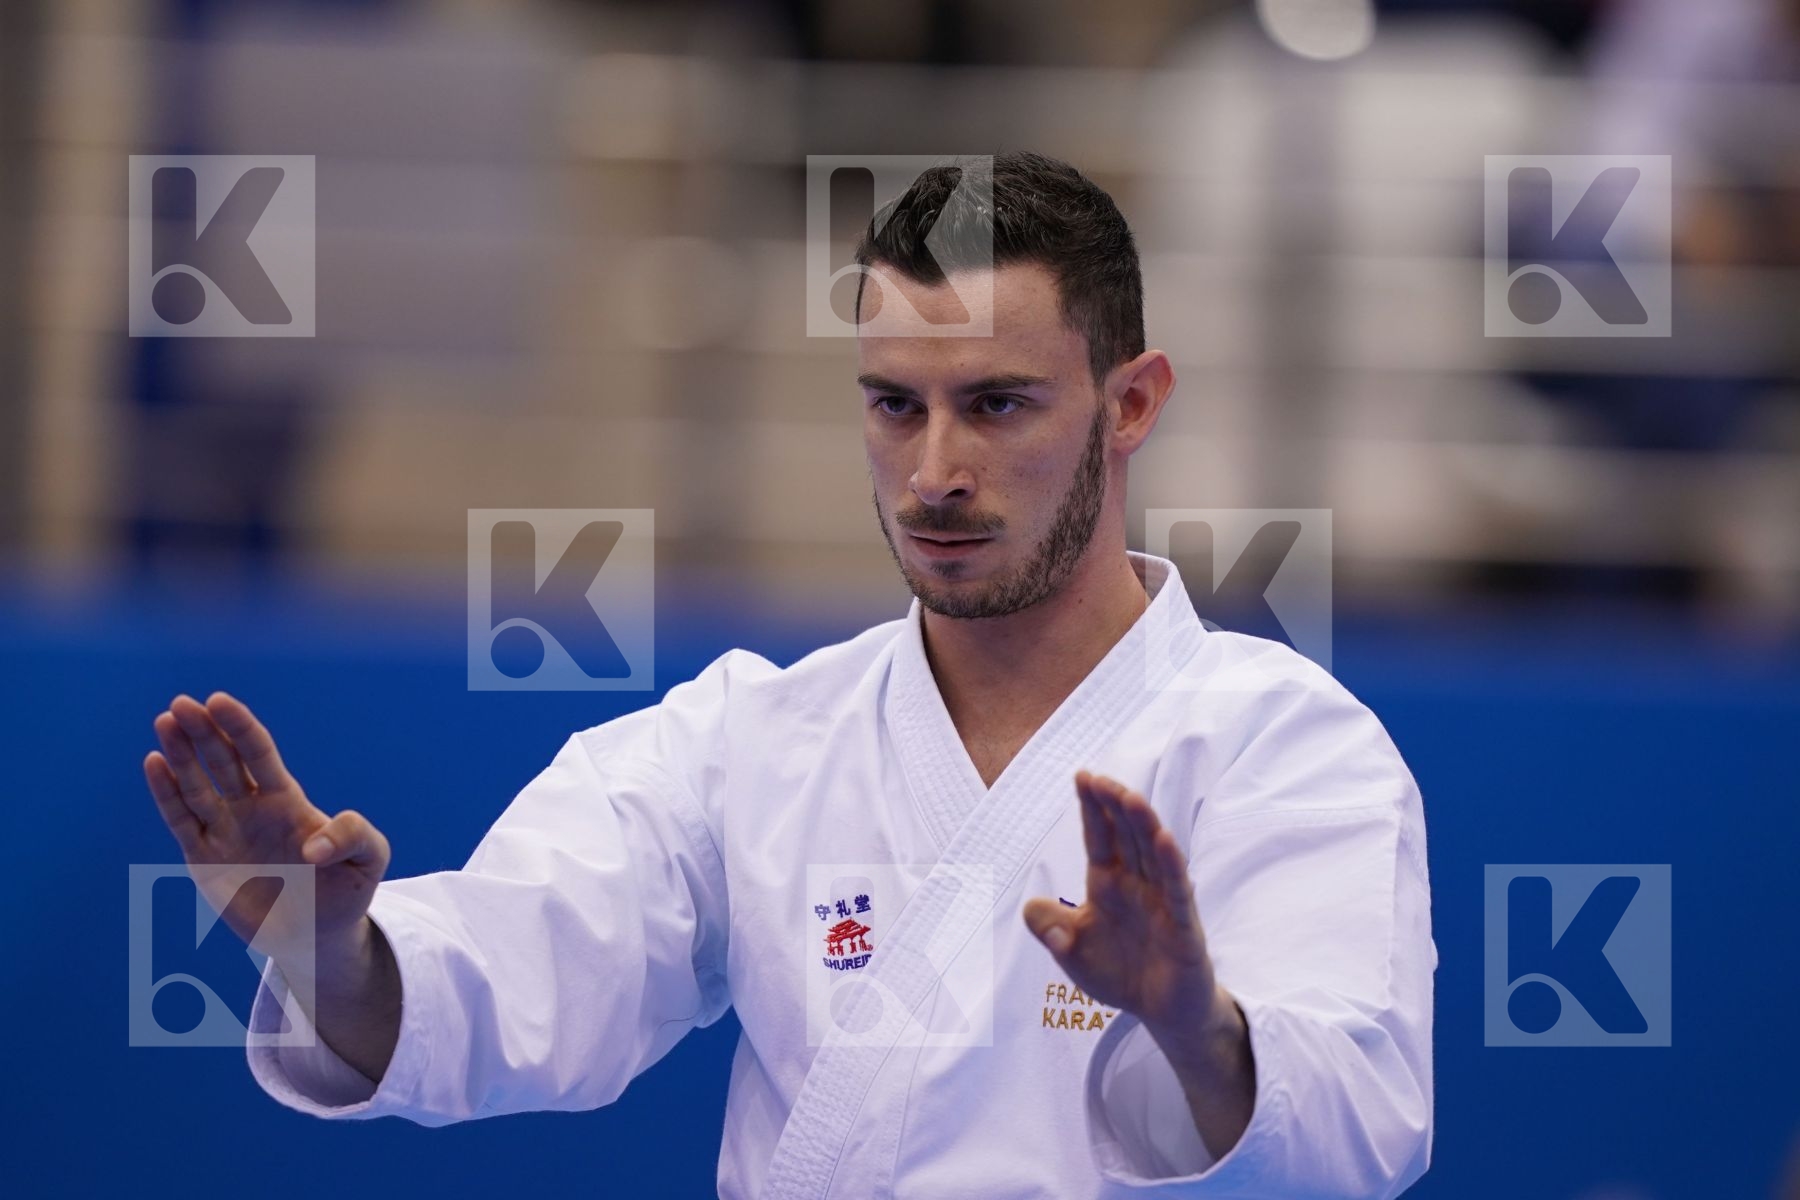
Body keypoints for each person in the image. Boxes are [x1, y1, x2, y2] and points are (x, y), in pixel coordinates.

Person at [143, 151, 1435, 1198]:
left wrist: (1194, 1024)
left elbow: (1359, 1125)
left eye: (996, 404)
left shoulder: (1286, 747)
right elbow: (509, 970)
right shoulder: (750, 740)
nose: (933, 471)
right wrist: (331, 953)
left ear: (1132, 404)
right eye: (892, 404)